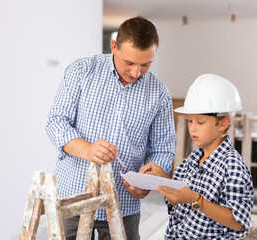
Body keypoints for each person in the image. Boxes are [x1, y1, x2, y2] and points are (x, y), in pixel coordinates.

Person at [45, 16, 175, 239]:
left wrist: (148, 183)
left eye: (145, 64)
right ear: (114, 46)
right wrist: (88, 150)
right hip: (75, 196)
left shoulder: (160, 93)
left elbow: (163, 151)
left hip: (124, 205)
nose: (136, 73)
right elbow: (56, 122)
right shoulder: (82, 71)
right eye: (129, 63)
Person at [141, 74, 254, 239]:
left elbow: (237, 222)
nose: (193, 128)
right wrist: (163, 180)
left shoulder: (233, 166)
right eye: (190, 121)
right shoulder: (191, 162)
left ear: (223, 123)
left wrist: (196, 200)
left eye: (200, 122)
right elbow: (180, 206)